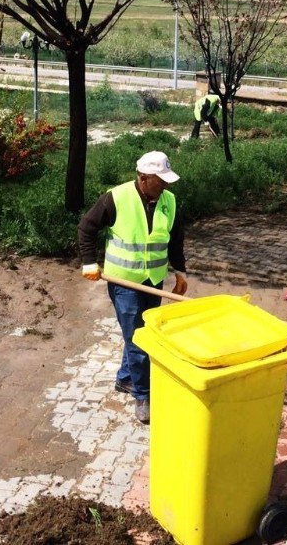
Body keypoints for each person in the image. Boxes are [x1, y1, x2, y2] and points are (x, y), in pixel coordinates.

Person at [78, 151, 187, 425]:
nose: (165, 186)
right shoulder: (116, 198)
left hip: (154, 279)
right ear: (143, 177)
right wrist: (89, 262)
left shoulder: (169, 201)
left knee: (143, 332)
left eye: (166, 181)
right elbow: (86, 227)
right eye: (159, 181)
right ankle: (143, 395)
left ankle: (126, 379)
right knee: (140, 341)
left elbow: (175, 239)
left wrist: (180, 271)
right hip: (124, 282)